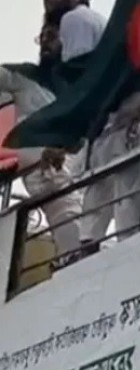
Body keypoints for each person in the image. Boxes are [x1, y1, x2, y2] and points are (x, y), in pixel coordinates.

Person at [0, 21, 82, 253]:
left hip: (75, 165)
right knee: (66, 214)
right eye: (42, 37)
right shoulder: (24, 77)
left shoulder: (80, 87)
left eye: (51, 36)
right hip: (42, 168)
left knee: (81, 216)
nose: (45, 42)